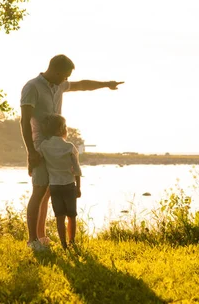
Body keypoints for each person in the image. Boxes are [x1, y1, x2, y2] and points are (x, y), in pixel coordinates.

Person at [20, 54, 123, 250]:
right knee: (39, 189)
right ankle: (32, 240)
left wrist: (107, 84)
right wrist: (30, 152)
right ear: (56, 70)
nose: (66, 80)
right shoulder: (32, 87)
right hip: (41, 146)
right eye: (65, 75)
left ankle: (41, 237)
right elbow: (24, 121)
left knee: (48, 192)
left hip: (57, 144)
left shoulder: (58, 85)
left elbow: (82, 85)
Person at [39, 114, 82, 249]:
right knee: (71, 216)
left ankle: (63, 244)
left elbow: (38, 158)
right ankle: (72, 242)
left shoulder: (44, 146)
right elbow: (77, 170)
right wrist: (78, 188)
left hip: (54, 186)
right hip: (69, 185)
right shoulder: (69, 147)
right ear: (61, 129)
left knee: (59, 217)